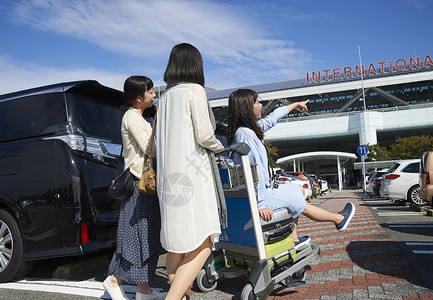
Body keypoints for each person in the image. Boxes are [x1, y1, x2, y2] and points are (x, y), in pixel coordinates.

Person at [227, 89, 355, 250]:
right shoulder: (245, 134)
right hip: (260, 198)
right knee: (299, 201)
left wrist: (294, 105)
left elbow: (272, 119)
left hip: (264, 193)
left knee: (297, 190)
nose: (261, 105)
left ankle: (293, 238)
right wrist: (259, 206)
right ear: (247, 108)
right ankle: (338, 219)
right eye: (257, 102)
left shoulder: (249, 130)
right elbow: (254, 171)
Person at [156, 43, 225, 300]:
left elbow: (154, 145)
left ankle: (179, 297)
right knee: (205, 242)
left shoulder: (164, 99)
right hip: (193, 177)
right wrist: (221, 147)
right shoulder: (194, 90)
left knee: (176, 247)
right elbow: (205, 135)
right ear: (195, 64)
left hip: (169, 183)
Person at [103, 76, 166, 300]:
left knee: (143, 235)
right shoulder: (132, 117)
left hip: (144, 185)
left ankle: (143, 289)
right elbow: (151, 148)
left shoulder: (137, 116)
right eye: (150, 91)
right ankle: (114, 280)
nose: (153, 95)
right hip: (140, 184)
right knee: (137, 236)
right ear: (139, 97)